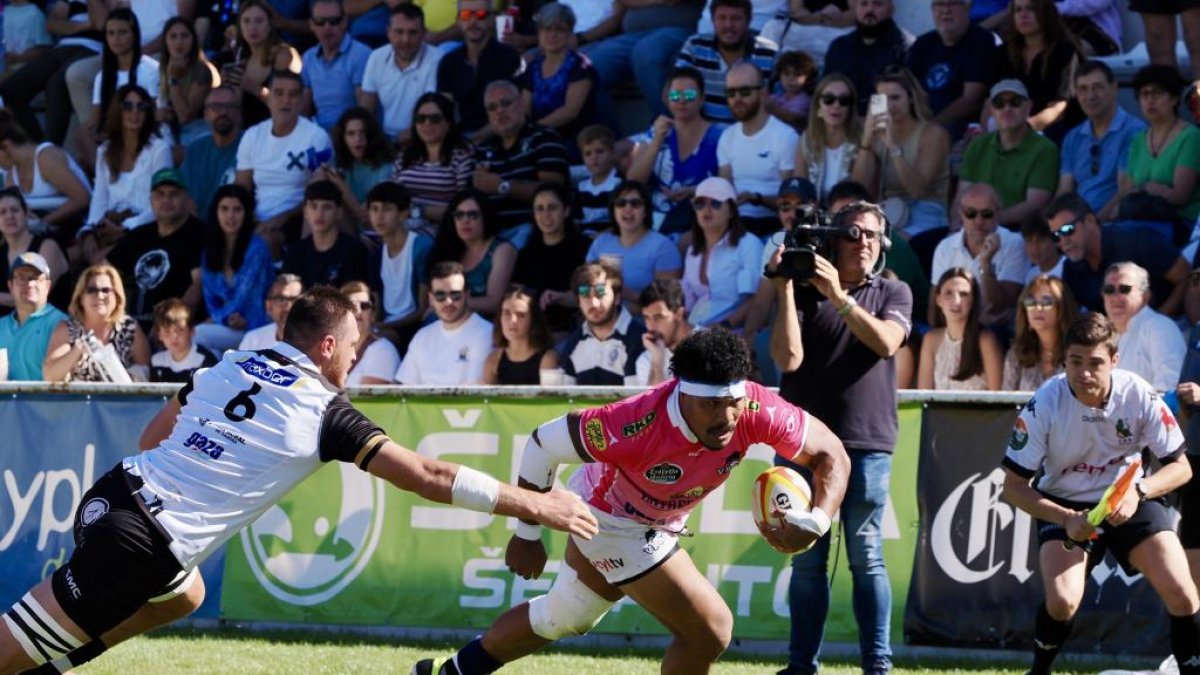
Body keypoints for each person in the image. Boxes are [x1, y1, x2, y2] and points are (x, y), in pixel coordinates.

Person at [0, 287, 600, 675]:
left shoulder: (230, 362)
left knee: (184, 596)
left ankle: (54, 659)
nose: (356, 359)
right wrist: (537, 506)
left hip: (115, 493)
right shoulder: (324, 410)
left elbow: (151, 441)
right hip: (143, 543)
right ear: (329, 345)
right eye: (354, 347)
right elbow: (428, 474)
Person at [414, 327, 851, 675]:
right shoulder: (635, 422)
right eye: (713, 405)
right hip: (609, 518)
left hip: (655, 518)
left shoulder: (755, 408)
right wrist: (527, 532)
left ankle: (454, 670)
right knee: (710, 630)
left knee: (566, 614)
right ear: (683, 393)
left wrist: (817, 520)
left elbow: (833, 454)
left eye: (734, 402)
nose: (727, 418)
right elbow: (543, 445)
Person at [999, 312, 1200, 675]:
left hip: (1130, 497)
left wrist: (1139, 491)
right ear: (1064, 360)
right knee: (1062, 602)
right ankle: (1038, 672)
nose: (1084, 373)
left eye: (1095, 363)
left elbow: (1182, 468)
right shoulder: (1045, 402)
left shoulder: (1138, 393)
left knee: (1183, 593)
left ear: (1114, 361)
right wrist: (1066, 518)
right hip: (1065, 503)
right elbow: (1012, 488)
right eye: (1075, 361)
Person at [767, 200, 911, 675]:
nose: (863, 242)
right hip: (803, 444)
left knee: (866, 557)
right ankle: (800, 666)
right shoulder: (805, 292)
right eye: (852, 233)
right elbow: (787, 359)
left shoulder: (893, 291)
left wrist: (836, 294)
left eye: (872, 235)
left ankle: (878, 666)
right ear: (832, 239)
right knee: (806, 560)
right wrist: (784, 287)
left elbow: (886, 342)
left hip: (866, 443)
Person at [235, 70, 334, 256]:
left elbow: (320, 193)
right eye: (279, 93)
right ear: (268, 97)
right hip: (257, 217)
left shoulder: (316, 138)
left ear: (301, 100)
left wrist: (283, 218)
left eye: (293, 94)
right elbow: (242, 188)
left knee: (267, 241)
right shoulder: (252, 136)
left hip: (298, 218)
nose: (286, 100)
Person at [1048, 192, 1190, 316]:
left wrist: (1158, 321)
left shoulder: (1137, 239)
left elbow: (1186, 277)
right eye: (1056, 236)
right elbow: (1068, 316)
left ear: (1090, 221)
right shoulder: (1071, 268)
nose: (1063, 241)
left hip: (1174, 325)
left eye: (1067, 230)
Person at [79, 84, 174, 267]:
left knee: (98, 263)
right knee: (72, 256)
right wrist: (89, 231)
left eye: (141, 106)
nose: (134, 112)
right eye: (127, 106)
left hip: (146, 228)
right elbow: (99, 199)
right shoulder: (104, 151)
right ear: (118, 111)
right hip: (110, 224)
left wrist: (126, 227)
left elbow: (162, 203)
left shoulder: (160, 150)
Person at [852, 66, 951, 240]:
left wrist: (893, 146)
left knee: (893, 244)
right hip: (888, 210)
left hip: (925, 211)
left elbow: (918, 190)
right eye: (882, 99)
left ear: (911, 98)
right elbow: (860, 189)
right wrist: (866, 141)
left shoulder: (932, 134)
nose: (889, 106)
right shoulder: (876, 136)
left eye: (895, 98)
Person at [625, 66, 724, 236]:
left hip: (702, 224)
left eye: (689, 95)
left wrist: (697, 191)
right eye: (675, 95)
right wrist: (657, 141)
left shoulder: (720, 136)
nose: (682, 100)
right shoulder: (655, 132)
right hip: (656, 224)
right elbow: (634, 180)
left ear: (702, 98)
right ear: (666, 98)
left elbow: (728, 185)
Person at [105, 169, 205, 332]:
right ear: (151, 200)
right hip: (130, 323)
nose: (166, 200)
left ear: (187, 199)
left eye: (174, 194)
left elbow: (198, 287)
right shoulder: (139, 234)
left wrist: (168, 324)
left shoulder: (199, 234)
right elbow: (103, 272)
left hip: (174, 328)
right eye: (160, 194)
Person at [472, 81, 570, 247]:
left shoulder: (544, 138)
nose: (500, 110)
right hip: (490, 233)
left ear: (521, 104)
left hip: (534, 231)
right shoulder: (483, 150)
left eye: (506, 103)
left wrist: (502, 186)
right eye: (492, 107)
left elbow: (553, 193)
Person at [956, 79, 1058, 228]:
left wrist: (986, 222)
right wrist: (956, 227)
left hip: (1019, 231)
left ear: (1029, 106)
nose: (1007, 108)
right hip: (974, 227)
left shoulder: (1045, 149)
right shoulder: (977, 146)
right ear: (991, 109)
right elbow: (961, 197)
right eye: (999, 103)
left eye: (1015, 102)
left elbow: (1034, 205)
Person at [579, 0, 704, 122]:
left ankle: (668, 126)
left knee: (646, 52)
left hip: (680, 29)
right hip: (634, 35)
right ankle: (603, 134)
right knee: (588, 65)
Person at [0, 0, 103, 145]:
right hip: (61, 49)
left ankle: (50, 147)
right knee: (9, 89)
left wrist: (70, 26)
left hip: (92, 50)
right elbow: (51, 24)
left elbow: (101, 23)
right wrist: (85, 25)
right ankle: (37, 147)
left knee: (56, 84)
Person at [717, 62, 799, 238]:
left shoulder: (785, 136)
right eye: (731, 93)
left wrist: (757, 199)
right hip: (735, 225)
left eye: (745, 92)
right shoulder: (727, 137)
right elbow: (725, 190)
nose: (737, 99)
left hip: (774, 225)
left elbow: (792, 201)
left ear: (763, 93)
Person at [930, 183, 1029, 328]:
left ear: (999, 214)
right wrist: (975, 322)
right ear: (961, 213)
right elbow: (934, 314)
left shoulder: (1015, 244)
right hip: (956, 329)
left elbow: (999, 308)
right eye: (971, 213)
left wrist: (986, 264)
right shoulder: (945, 247)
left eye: (987, 214)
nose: (978, 221)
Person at [1056, 61, 1146, 221]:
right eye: (1083, 89)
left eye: (1097, 87)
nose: (1090, 96)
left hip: (1115, 223)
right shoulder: (1073, 137)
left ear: (1114, 88)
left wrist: (1093, 224)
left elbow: (1125, 192)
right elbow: (1065, 191)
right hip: (1079, 225)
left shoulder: (1134, 132)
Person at [905, 0, 1000, 140]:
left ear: (968, 8)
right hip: (921, 122)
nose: (945, 10)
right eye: (939, 4)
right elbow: (905, 88)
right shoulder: (923, 44)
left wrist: (930, 127)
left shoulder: (981, 41)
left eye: (953, 3)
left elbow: (971, 100)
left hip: (959, 128)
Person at [1118, 65, 1200, 226]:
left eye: (1157, 93)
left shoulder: (1191, 137)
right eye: (1144, 94)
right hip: (1142, 221)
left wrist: (1145, 188)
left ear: (1174, 99)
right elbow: (1127, 192)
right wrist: (1155, 189)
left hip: (1181, 223)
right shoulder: (1137, 141)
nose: (1150, 100)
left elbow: (1179, 197)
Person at [197, 184, 275, 352]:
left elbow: (247, 297)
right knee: (206, 347)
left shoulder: (257, 248)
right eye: (224, 209)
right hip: (227, 325)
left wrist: (216, 319)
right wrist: (224, 319)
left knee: (198, 334)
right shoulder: (208, 251)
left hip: (256, 325)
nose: (230, 216)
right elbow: (210, 299)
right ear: (215, 212)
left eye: (237, 209)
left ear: (247, 213)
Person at [42, 264, 151, 383]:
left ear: (117, 296)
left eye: (106, 290)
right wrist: (77, 351)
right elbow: (50, 376)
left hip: (121, 394)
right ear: (80, 298)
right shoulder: (67, 329)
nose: (99, 296)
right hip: (80, 395)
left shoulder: (130, 328)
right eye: (91, 290)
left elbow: (146, 373)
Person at [674, 0, 779, 124]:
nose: (728, 25)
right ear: (713, 20)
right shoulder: (695, 47)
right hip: (705, 131)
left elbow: (783, 104)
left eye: (736, 18)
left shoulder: (769, 53)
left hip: (752, 131)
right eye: (722, 18)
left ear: (749, 20)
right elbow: (675, 91)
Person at [682, 176, 764, 328]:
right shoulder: (692, 250)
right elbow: (687, 303)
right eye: (699, 203)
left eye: (715, 203)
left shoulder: (749, 245)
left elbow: (756, 299)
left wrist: (724, 326)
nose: (706, 210)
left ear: (731, 211)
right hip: (696, 330)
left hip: (734, 333)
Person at [996, 0, 1083, 142]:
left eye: (1031, 8)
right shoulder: (1003, 53)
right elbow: (991, 102)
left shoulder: (1064, 51)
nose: (1023, 15)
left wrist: (1024, 130)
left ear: (1046, 13)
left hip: (1056, 130)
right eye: (1018, 10)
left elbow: (1059, 108)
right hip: (1009, 129)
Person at [395, 261, 494, 385]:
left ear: (467, 295)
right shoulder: (422, 336)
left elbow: (474, 391)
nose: (448, 302)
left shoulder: (485, 333)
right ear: (431, 298)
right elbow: (406, 387)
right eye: (440, 295)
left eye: (455, 294)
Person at [513, 183, 591, 339]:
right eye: (539, 209)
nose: (546, 214)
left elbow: (589, 291)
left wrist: (562, 297)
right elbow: (515, 293)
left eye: (552, 208)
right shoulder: (526, 254)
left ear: (566, 211)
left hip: (572, 331)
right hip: (533, 331)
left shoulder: (584, 249)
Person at [435, 0, 523, 138]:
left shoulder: (510, 58)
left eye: (481, 14)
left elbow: (514, 110)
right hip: (458, 139)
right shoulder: (449, 62)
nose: (473, 21)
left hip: (502, 137)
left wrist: (474, 140)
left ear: (492, 20)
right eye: (466, 15)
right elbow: (445, 110)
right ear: (458, 21)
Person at [83, 9, 160, 163]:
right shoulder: (102, 76)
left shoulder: (151, 69)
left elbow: (155, 115)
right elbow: (95, 120)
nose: (116, 39)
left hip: (143, 134)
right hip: (112, 137)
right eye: (111, 33)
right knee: (82, 135)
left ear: (134, 35)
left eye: (122, 32)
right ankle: (106, 171)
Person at [518, 3, 598, 151]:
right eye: (547, 29)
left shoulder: (580, 65)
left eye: (560, 29)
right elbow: (524, 110)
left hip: (577, 143)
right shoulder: (533, 68)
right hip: (539, 140)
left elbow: (570, 112)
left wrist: (534, 130)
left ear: (570, 34)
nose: (553, 34)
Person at [390, 92, 475, 230]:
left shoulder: (462, 156)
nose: (427, 123)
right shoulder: (404, 156)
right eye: (420, 118)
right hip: (400, 226)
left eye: (435, 118)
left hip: (443, 229)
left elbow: (463, 206)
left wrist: (419, 211)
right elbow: (391, 196)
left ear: (448, 123)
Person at [364, 182, 431, 352]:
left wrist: (382, 327)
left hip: (415, 328)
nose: (379, 216)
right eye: (374, 209)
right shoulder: (376, 256)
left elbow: (422, 310)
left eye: (387, 209)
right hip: (385, 326)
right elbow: (378, 307)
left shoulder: (422, 248)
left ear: (403, 213)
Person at [360, 5, 442, 143]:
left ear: (423, 33)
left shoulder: (437, 60)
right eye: (399, 32)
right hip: (387, 139)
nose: (405, 39)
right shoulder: (376, 57)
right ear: (388, 32)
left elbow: (433, 117)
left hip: (425, 139)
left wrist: (394, 143)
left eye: (413, 32)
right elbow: (366, 110)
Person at [430, 189, 517, 319]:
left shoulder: (502, 250)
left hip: (486, 323)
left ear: (485, 217)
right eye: (459, 215)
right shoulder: (447, 250)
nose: (465, 220)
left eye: (473, 215)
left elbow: (494, 302)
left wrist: (447, 304)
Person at [559, 261, 648, 386]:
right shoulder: (575, 341)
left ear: (617, 298)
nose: (594, 303)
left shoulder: (640, 338)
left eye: (600, 293)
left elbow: (635, 397)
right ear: (578, 301)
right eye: (585, 295)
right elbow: (565, 394)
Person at [0, 112, 91, 234]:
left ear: (5, 146)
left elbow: (83, 198)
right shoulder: (12, 173)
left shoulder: (46, 158)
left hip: (75, 225)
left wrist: (42, 223)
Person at [1102, 262, 1186, 391]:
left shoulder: (1160, 327)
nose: (1115, 297)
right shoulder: (1104, 336)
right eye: (1109, 290)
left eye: (1124, 289)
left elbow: (1169, 388)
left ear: (1145, 296)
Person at [918, 267, 1004, 390]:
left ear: (973, 300)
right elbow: (923, 393)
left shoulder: (986, 341)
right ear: (938, 300)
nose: (956, 301)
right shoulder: (931, 339)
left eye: (963, 294)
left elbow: (997, 396)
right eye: (948, 293)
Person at [219, 0, 302, 127]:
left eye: (259, 21)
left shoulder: (284, 55)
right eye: (246, 21)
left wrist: (254, 88)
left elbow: (288, 104)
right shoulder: (243, 61)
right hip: (249, 131)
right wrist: (229, 88)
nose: (252, 27)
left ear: (270, 25)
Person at [822, 0, 913, 115]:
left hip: (883, 120)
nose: (869, 10)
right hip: (842, 118)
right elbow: (825, 90)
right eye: (864, 4)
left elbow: (905, 99)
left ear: (891, 10)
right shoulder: (839, 47)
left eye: (877, 4)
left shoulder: (906, 48)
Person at [282, 180, 370, 290]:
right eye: (313, 206)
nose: (319, 214)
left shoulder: (354, 251)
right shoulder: (294, 252)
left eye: (327, 207)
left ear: (339, 212)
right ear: (305, 212)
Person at [318, 106, 396, 227]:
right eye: (351, 134)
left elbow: (368, 219)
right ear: (343, 138)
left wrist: (342, 188)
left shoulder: (385, 167)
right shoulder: (337, 162)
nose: (358, 139)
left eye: (362, 133)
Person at [300, 0, 371, 130]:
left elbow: (364, 111)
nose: (327, 27)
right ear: (311, 25)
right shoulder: (308, 58)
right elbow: (304, 109)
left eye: (334, 21)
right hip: (318, 134)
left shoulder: (361, 54)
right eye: (320, 21)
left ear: (344, 22)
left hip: (350, 134)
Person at [0, 189, 70, 316]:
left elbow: (34, 295)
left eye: (15, 210)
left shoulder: (48, 246)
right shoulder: (2, 252)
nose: (9, 216)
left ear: (26, 214)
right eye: (2, 212)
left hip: (51, 323)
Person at [794, 74, 862, 204]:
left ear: (850, 108)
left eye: (844, 100)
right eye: (828, 99)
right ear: (818, 105)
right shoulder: (806, 140)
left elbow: (863, 191)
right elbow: (800, 189)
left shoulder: (862, 141)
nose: (836, 105)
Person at [0, 252, 68, 381]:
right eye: (21, 277)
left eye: (35, 278)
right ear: (10, 286)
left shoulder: (61, 324)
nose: (29, 284)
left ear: (48, 285)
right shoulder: (1, 326)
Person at [180, 87, 244, 222]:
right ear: (206, 114)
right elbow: (182, 191)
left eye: (230, 107)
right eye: (216, 107)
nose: (223, 112)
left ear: (239, 114)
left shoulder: (250, 145)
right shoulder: (194, 150)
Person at [1003, 274, 1077, 391]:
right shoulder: (1016, 355)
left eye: (1046, 301)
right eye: (1030, 302)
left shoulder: (1078, 354)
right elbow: (1005, 400)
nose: (1037, 308)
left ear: (1062, 308)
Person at [156, 17, 218, 146]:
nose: (179, 42)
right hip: (168, 130)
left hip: (197, 131)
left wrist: (173, 79)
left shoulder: (202, 70)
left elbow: (185, 116)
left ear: (193, 40)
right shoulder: (158, 69)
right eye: (173, 36)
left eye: (184, 36)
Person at [482, 285, 560, 385]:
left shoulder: (548, 358)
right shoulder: (493, 360)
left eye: (521, 315)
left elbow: (550, 395)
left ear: (534, 320)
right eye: (506, 313)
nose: (513, 320)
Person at [635, 278, 694, 386]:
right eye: (646, 318)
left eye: (658, 317)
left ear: (679, 314)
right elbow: (654, 398)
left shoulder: (711, 346)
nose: (650, 326)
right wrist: (657, 362)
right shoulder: (647, 359)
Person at [340, 280, 399, 386]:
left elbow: (367, 396)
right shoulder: (331, 349)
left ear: (373, 315)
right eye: (351, 306)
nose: (358, 311)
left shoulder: (383, 350)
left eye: (365, 305)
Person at [148, 298, 219, 383]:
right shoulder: (157, 362)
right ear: (159, 335)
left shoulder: (205, 360)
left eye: (180, 330)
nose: (174, 337)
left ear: (191, 331)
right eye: (167, 332)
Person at [573, 125, 621, 236]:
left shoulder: (618, 183)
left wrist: (598, 237)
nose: (594, 157)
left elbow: (621, 223)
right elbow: (576, 221)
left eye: (600, 151)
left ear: (612, 152)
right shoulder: (582, 187)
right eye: (588, 153)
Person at [238, 273, 303, 351]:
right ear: (268, 306)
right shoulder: (252, 341)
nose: (289, 307)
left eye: (295, 300)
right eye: (281, 300)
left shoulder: (315, 344)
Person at [766, 50, 818, 133]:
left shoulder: (805, 100)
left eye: (797, 74)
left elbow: (793, 119)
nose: (791, 79)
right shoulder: (778, 96)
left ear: (807, 78)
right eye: (786, 74)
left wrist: (771, 107)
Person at [1021, 215, 1064, 283]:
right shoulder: (1030, 276)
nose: (1035, 247)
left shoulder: (1069, 268)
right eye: (1029, 240)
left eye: (1041, 240)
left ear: (1055, 240)